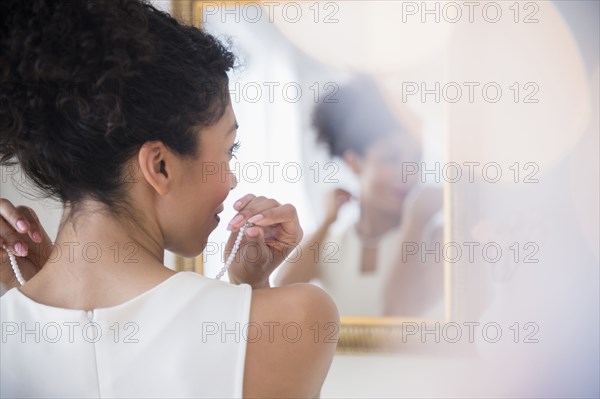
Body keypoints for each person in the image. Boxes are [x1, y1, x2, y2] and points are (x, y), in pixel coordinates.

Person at [0, 0, 338, 397]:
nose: (230, 180)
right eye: (229, 150)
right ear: (159, 166)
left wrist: (35, 302)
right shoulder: (297, 320)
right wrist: (253, 291)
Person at [274, 77, 444, 317]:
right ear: (354, 162)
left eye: (415, 160)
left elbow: (399, 321)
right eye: (392, 158)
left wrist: (414, 225)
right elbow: (280, 290)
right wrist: (326, 222)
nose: (408, 173)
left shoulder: (434, 239)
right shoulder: (332, 244)